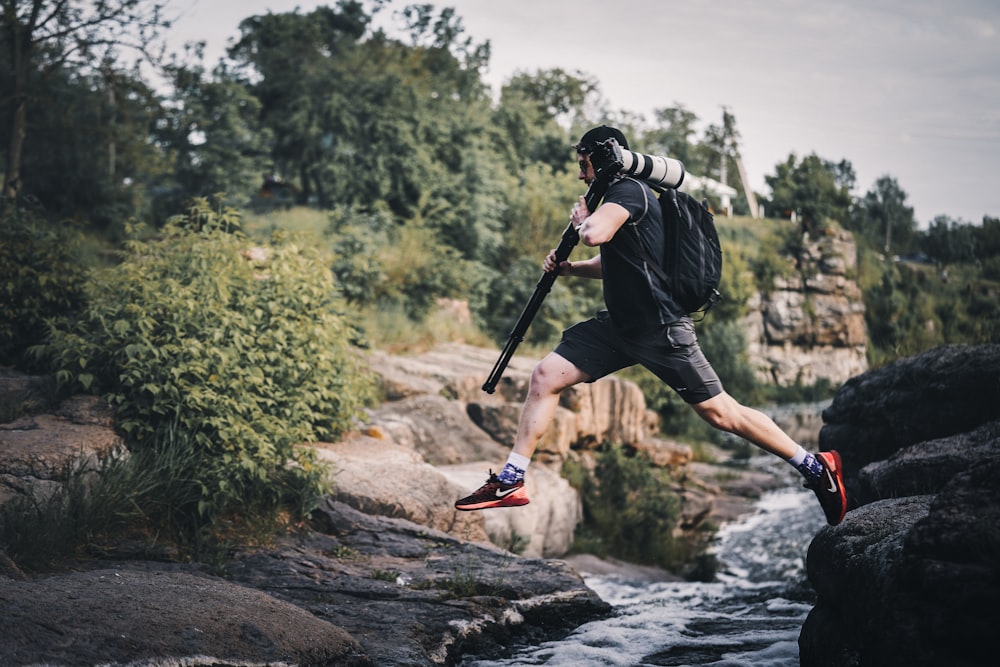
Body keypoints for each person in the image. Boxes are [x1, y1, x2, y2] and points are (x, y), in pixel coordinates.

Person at [455, 125, 848, 526]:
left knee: (721, 413)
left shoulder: (629, 192)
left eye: (584, 165)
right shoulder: (622, 197)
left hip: (661, 328)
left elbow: (595, 234)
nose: (581, 175)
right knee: (544, 377)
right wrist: (570, 268)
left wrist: (582, 221)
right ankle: (510, 480)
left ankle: (815, 467)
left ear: (603, 159)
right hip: (620, 327)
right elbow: (617, 263)